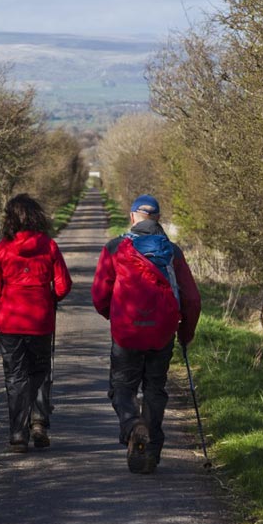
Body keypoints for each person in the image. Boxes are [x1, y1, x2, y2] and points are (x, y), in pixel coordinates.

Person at [91, 193, 201, 473]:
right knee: (154, 388)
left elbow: (100, 295)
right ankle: (150, 451)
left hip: (127, 331)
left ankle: (133, 425)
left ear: (132, 217)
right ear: (158, 219)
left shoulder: (115, 247)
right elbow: (191, 299)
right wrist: (185, 333)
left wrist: (115, 317)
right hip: (162, 332)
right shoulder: (172, 251)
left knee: (122, 387)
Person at [0, 194, 72, 452]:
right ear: (37, 217)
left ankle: (18, 434)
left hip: (9, 322)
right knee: (40, 371)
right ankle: (39, 422)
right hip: (40, 320)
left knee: (15, 376)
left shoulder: (2, 249)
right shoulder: (49, 246)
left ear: (9, 219)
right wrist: (48, 298)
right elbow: (64, 285)